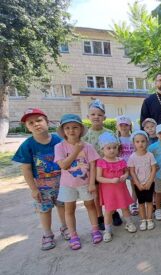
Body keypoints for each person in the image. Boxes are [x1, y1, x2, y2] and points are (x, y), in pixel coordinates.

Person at [12, 108, 69, 250]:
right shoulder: (27, 145)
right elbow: (26, 169)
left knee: (63, 207)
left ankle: (65, 228)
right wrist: (33, 188)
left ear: (47, 122)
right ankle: (48, 234)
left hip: (62, 183)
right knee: (44, 211)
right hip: (42, 187)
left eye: (39, 120)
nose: (36, 124)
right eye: (31, 123)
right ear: (27, 127)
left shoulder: (58, 140)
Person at [54, 114, 102, 250]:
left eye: (75, 127)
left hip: (85, 183)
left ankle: (95, 229)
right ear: (63, 131)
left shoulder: (88, 146)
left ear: (80, 129)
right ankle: (73, 235)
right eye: (67, 128)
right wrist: (76, 150)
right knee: (69, 210)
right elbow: (63, 165)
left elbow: (93, 166)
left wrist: (92, 183)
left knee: (90, 205)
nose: (71, 130)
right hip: (67, 185)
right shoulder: (60, 147)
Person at [82, 99, 122, 229]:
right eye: (93, 114)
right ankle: (100, 216)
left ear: (104, 117)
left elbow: (117, 149)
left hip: (109, 170)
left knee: (111, 192)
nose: (96, 117)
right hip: (94, 170)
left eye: (99, 114)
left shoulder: (109, 133)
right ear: (88, 117)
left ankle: (114, 212)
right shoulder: (86, 135)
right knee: (97, 194)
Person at [96, 132, 137, 242]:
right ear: (102, 149)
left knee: (125, 207)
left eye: (114, 147)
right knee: (109, 210)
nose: (112, 150)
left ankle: (129, 223)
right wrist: (110, 180)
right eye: (108, 148)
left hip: (121, 189)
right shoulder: (101, 162)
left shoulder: (121, 161)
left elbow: (126, 172)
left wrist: (125, 175)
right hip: (109, 191)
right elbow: (98, 177)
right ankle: (107, 230)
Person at [128, 130, 157, 231]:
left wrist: (149, 182)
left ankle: (149, 219)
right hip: (138, 184)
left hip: (150, 183)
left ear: (147, 142)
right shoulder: (132, 157)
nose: (140, 144)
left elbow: (154, 169)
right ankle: (143, 220)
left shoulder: (150, 155)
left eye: (143, 141)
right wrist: (137, 183)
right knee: (141, 203)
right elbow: (132, 171)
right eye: (137, 142)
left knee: (149, 202)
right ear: (134, 143)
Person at [147, 124, 161, 221]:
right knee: (158, 192)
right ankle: (157, 209)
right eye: (160, 133)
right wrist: (151, 166)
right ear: (157, 134)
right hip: (158, 174)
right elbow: (147, 158)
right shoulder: (152, 147)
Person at [116, 115, 138, 216]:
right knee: (122, 188)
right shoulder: (117, 140)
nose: (124, 127)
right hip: (121, 168)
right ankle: (125, 206)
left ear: (130, 127)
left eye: (126, 125)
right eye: (121, 125)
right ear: (118, 127)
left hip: (133, 166)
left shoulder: (133, 138)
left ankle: (134, 205)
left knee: (134, 187)